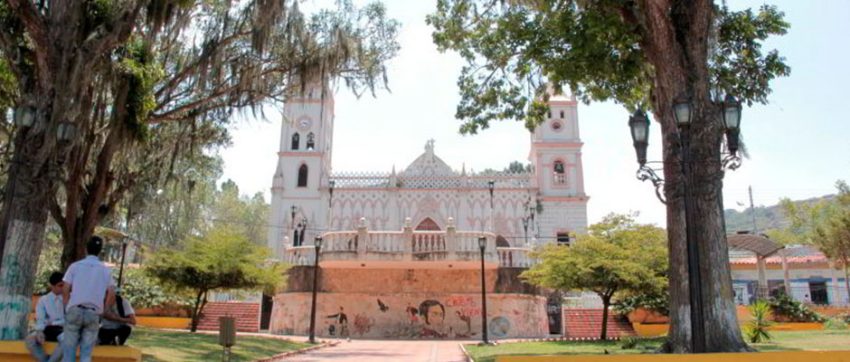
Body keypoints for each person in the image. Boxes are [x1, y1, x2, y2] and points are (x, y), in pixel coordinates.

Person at [62, 236, 116, 362]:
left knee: (69, 350)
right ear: (100, 250)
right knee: (86, 353)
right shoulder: (106, 270)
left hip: (75, 309)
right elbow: (111, 293)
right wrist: (104, 310)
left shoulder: (75, 266)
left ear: (86, 249)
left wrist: (67, 305)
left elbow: (65, 288)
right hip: (93, 312)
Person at [25, 272, 66, 362]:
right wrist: (39, 331)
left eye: (64, 285)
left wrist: (53, 322)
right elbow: (41, 319)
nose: (63, 288)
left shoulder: (68, 299)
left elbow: (69, 319)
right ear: (52, 286)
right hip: (47, 329)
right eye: (60, 285)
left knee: (67, 339)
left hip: (62, 329)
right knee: (30, 340)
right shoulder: (44, 300)